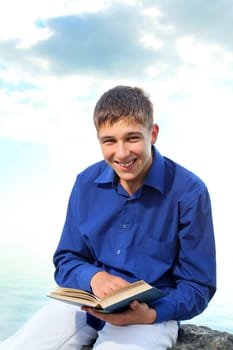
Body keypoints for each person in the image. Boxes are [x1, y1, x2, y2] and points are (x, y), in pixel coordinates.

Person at [0, 86, 216, 350]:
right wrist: (94, 278)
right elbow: (66, 259)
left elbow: (198, 286)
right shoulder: (86, 183)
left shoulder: (189, 192)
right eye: (109, 141)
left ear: (153, 134)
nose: (122, 153)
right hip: (86, 304)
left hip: (150, 315)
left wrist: (151, 314)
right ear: (99, 140)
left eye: (132, 138)